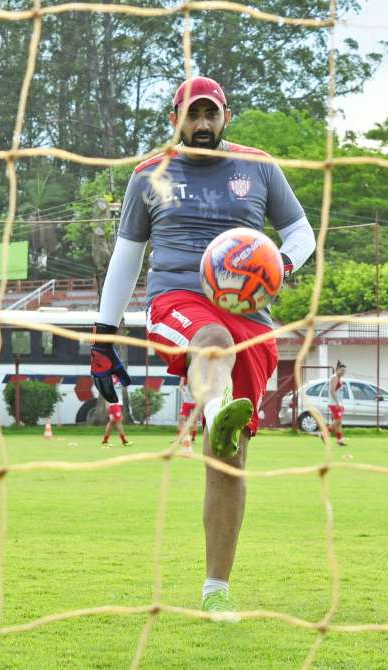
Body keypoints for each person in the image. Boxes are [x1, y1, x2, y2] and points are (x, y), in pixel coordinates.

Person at [89, 76, 315, 621]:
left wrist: (279, 267)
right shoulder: (150, 175)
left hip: (251, 321)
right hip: (177, 303)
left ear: (226, 117)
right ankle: (214, 409)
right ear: (176, 120)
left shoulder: (259, 168)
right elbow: (127, 257)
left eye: (210, 114)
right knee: (209, 341)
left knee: (229, 459)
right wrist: (103, 333)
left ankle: (217, 589)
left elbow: (302, 233)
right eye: (192, 115)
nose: (202, 125)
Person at [176, 376, 198, 453]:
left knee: (194, 420)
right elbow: (181, 386)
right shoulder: (184, 376)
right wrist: (183, 393)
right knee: (181, 419)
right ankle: (179, 438)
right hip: (186, 402)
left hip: (195, 401)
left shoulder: (197, 375)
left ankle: (193, 438)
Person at [327, 362, 347, 447]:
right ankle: (324, 433)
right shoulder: (334, 377)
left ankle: (339, 441)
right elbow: (332, 391)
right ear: (337, 369)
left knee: (339, 423)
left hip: (339, 403)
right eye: (342, 370)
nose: (343, 372)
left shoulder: (339, 378)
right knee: (337, 421)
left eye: (344, 371)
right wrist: (337, 403)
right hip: (334, 404)